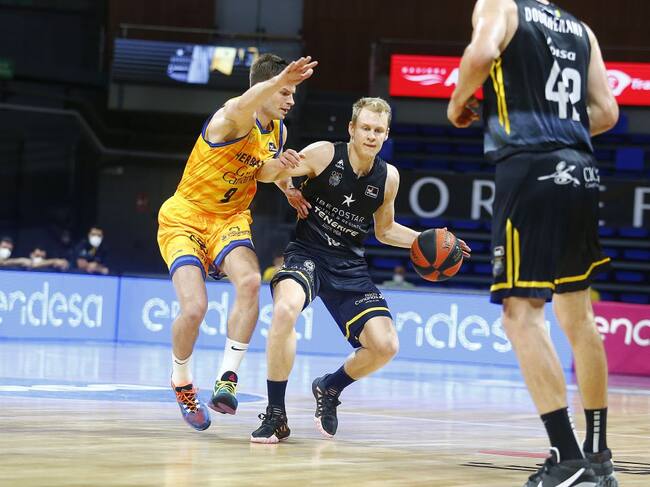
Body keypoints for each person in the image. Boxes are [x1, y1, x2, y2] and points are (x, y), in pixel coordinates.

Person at [448, 1, 619, 486]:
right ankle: (598, 456)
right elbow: (607, 112)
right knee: (578, 315)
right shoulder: (581, 28)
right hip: (581, 170)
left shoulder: (500, 5)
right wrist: (560, 124)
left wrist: (458, 102)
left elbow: (481, 54)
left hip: (531, 168)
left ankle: (566, 459)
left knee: (520, 314)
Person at [251, 97, 471, 443]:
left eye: (378, 130)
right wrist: (283, 174)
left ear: (387, 134)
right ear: (351, 129)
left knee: (386, 346)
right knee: (284, 310)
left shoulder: (388, 177)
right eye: (365, 128)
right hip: (308, 253)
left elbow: (385, 231)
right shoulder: (324, 154)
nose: (371, 135)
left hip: (349, 266)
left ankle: (330, 387)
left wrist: (434, 241)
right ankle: (276, 414)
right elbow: (264, 174)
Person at [156, 53, 317, 431]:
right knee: (194, 309)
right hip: (185, 217)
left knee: (250, 281)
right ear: (264, 88)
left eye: (293, 93)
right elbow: (243, 104)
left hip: (229, 220)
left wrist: (287, 183)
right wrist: (278, 80)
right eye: (286, 92)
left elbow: (262, 171)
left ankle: (227, 378)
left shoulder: (278, 130)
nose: (291, 100)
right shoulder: (230, 117)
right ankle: (181, 380)